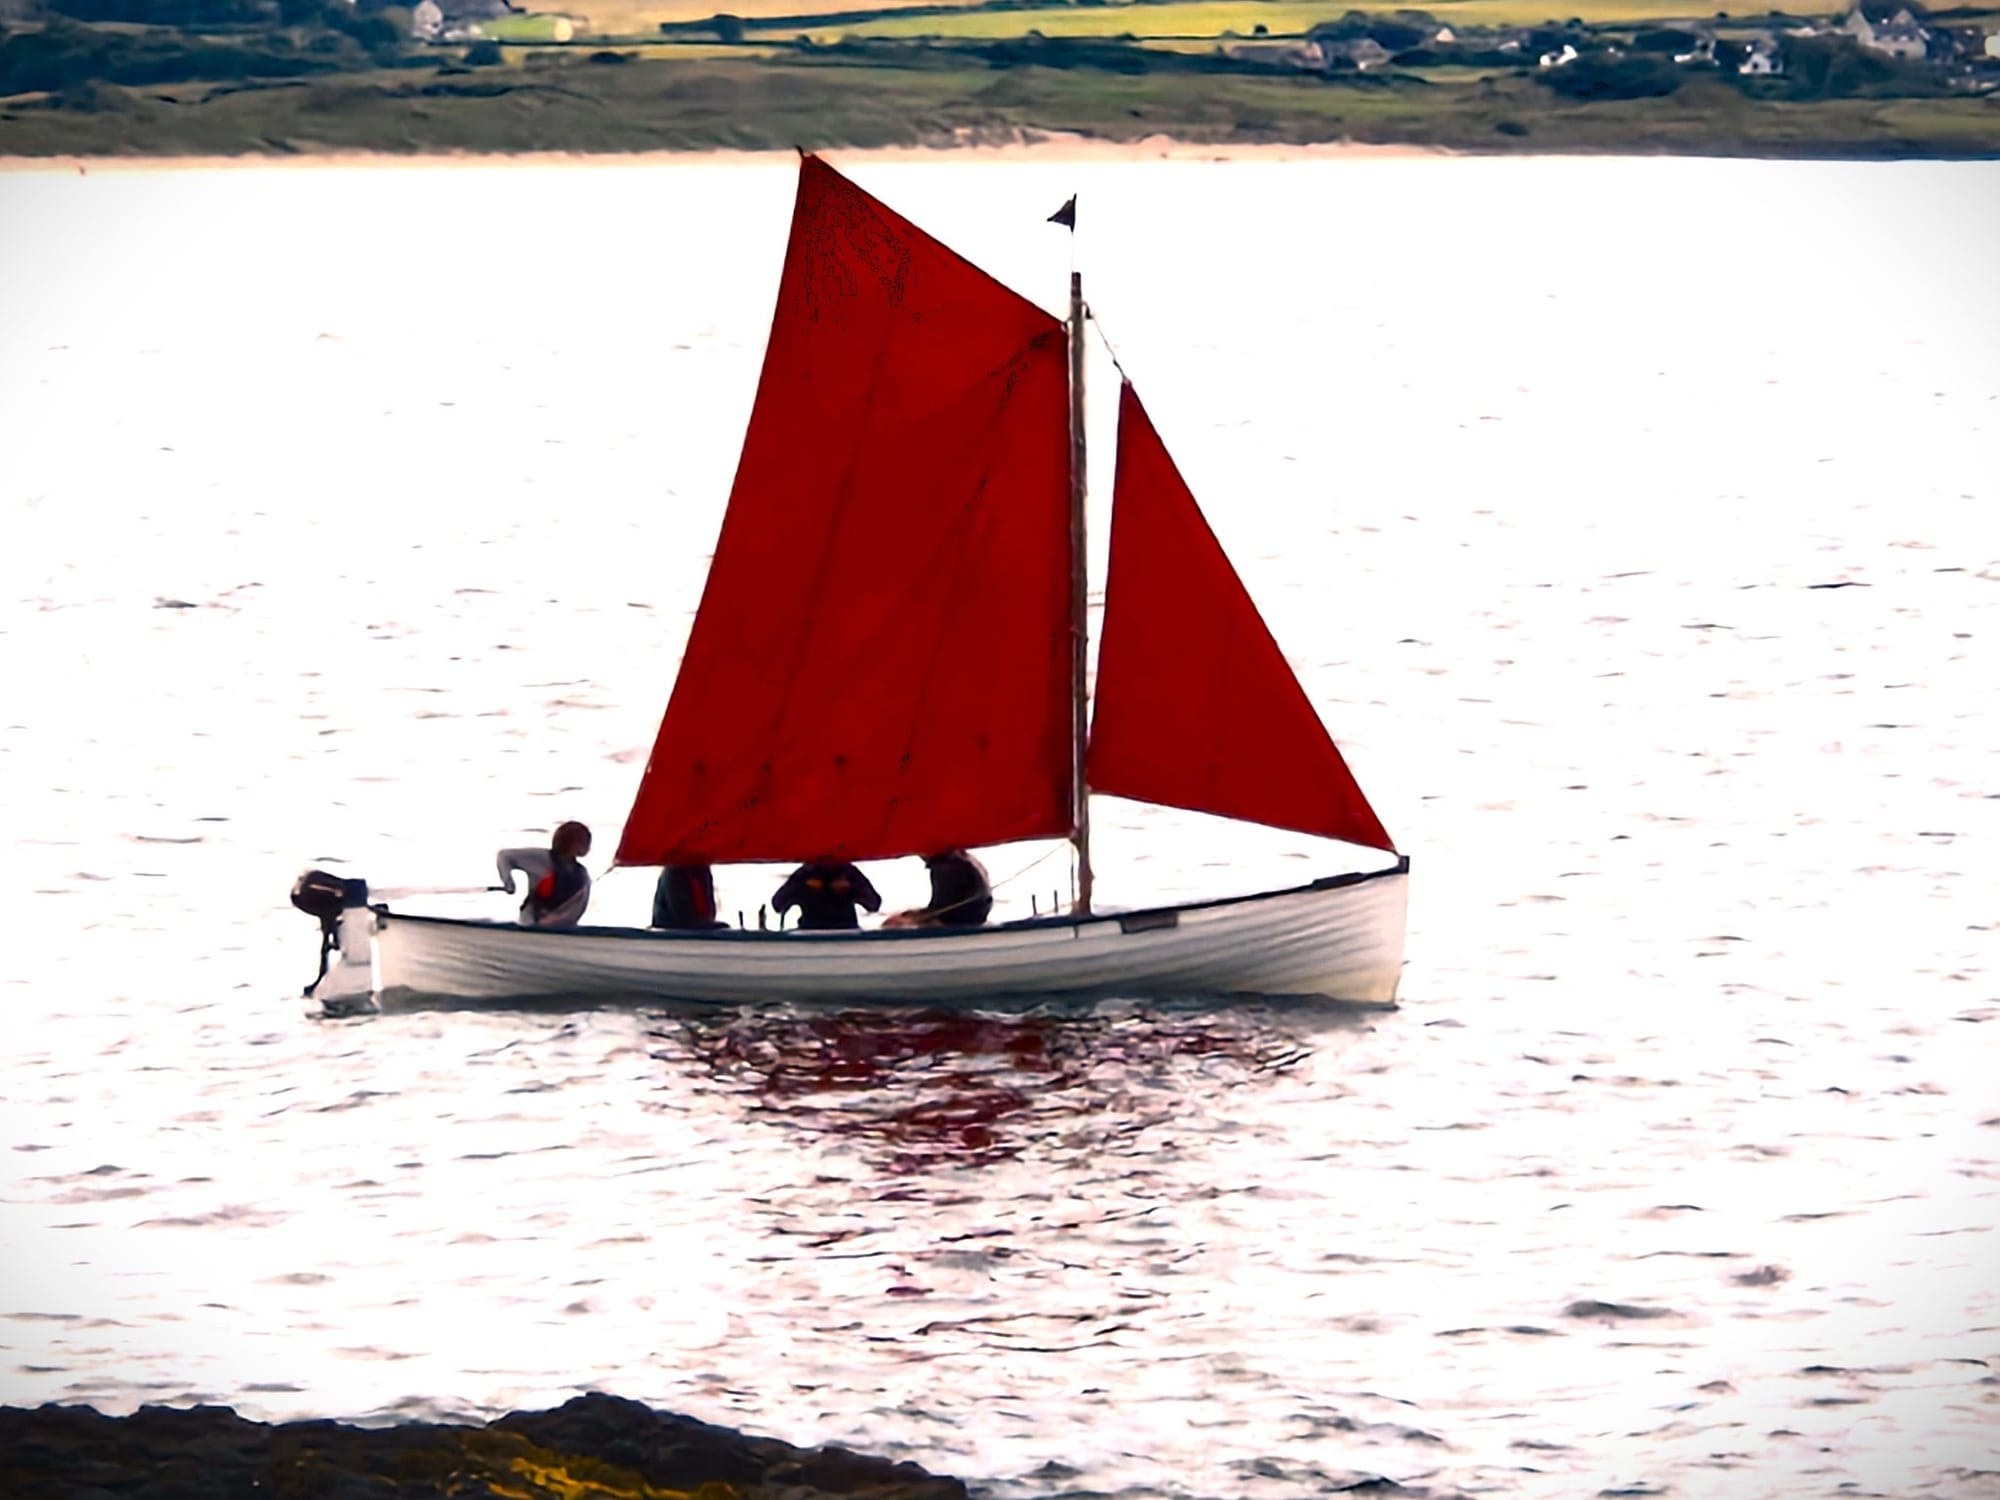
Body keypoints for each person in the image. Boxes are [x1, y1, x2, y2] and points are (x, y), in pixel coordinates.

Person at [496, 820, 592, 928]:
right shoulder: (541, 858)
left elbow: (577, 908)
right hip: (531, 924)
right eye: (584, 841)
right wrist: (509, 883)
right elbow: (504, 856)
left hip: (563, 929)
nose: (588, 846)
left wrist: (556, 921)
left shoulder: (582, 874)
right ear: (570, 842)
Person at [883, 849, 993, 929]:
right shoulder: (960, 858)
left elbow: (944, 912)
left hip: (962, 922)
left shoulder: (947, 867)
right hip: (970, 916)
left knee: (892, 924)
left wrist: (915, 920)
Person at [772, 860, 881, 931]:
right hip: (809, 931)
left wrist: (851, 888)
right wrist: (803, 887)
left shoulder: (848, 872)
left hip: (846, 931)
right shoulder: (806, 872)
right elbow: (777, 903)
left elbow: (874, 904)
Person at [652, 864, 726, 930]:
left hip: (694, 928)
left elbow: (710, 910)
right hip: (672, 930)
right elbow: (682, 916)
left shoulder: (703, 872)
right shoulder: (674, 871)